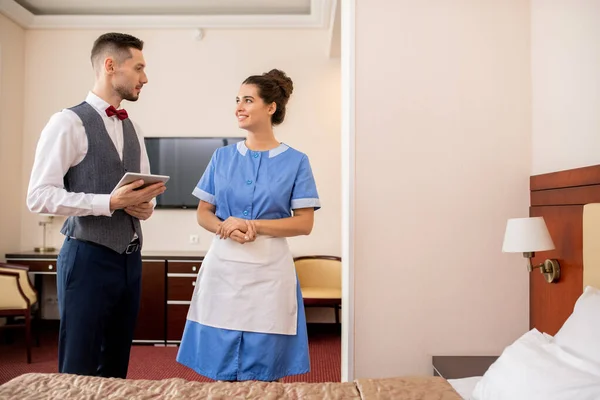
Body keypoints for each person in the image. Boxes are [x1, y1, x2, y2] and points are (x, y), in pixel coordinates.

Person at [26, 32, 166, 378]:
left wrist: (145, 206)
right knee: (80, 363)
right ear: (110, 66)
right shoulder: (67, 122)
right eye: (139, 68)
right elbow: (38, 195)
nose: (145, 78)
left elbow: (143, 191)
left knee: (116, 362)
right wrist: (109, 202)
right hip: (87, 257)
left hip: (130, 260)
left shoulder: (135, 128)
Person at [176, 69, 320, 382]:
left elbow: (304, 223)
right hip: (224, 267)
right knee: (221, 362)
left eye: (248, 100)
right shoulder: (222, 157)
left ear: (271, 108)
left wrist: (252, 224)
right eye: (237, 100)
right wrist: (223, 226)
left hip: (269, 270)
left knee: (264, 366)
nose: (239, 106)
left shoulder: (296, 161)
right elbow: (203, 213)